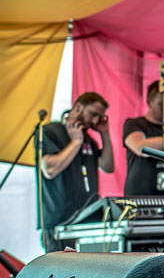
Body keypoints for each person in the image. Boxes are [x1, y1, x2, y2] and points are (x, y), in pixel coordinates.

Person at [37, 92, 114, 251]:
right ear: (78, 106)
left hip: (87, 221)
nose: (94, 121)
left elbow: (107, 166)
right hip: (60, 223)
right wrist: (76, 143)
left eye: (99, 117)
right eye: (93, 114)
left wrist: (105, 133)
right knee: (62, 273)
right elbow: (49, 170)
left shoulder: (89, 140)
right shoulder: (50, 132)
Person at [123, 80, 164, 195]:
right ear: (149, 102)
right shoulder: (134, 124)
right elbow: (140, 147)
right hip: (138, 195)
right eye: (161, 104)